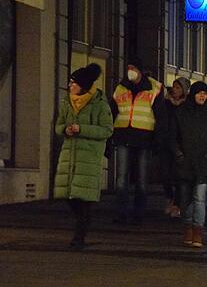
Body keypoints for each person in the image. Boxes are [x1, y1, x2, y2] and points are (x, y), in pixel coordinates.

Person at [54, 63, 113, 250]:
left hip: (88, 155)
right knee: (69, 196)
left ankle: (79, 236)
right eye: (70, 82)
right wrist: (65, 130)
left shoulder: (99, 104)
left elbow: (106, 130)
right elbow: (58, 125)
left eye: (73, 83)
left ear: (83, 85)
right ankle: (83, 226)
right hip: (69, 154)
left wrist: (82, 129)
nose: (70, 85)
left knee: (82, 198)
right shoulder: (67, 102)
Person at [111, 57, 168, 225]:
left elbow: (161, 117)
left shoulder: (155, 88)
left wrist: (158, 140)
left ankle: (139, 214)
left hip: (144, 138)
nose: (130, 70)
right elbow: (112, 111)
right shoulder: (120, 88)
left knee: (142, 180)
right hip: (124, 136)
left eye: (133, 67)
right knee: (121, 179)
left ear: (140, 71)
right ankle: (121, 213)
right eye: (128, 67)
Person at [169, 82, 207, 248]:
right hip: (185, 163)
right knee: (185, 198)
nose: (202, 96)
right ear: (193, 94)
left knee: (199, 198)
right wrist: (178, 154)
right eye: (199, 93)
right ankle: (188, 227)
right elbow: (172, 135)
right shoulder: (181, 113)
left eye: (204, 93)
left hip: (202, 163)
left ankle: (197, 231)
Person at [163, 77, 191, 219]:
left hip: (181, 145)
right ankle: (169, 197)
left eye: (179, 87)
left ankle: (177, 204)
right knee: (166, 174)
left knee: (180, 176)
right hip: (166, 143)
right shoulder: (166, 103)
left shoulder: (187, 106)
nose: (175, 90)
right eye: (174, 87)